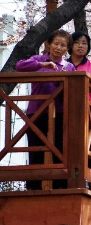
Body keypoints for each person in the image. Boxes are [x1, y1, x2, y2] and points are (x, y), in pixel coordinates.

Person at [16, 29, 76, 190]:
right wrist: (41, 64)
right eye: (56, 43)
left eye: (63, 45)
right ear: (48, 44)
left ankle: (60, 185)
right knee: (36, 147)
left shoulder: (69, 67)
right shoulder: (38, 60)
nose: (59, 48)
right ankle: (34, 185)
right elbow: (19, 66)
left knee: (59, 149)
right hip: (37, 110)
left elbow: (75, 89)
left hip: (60, 112)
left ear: (67, 48)